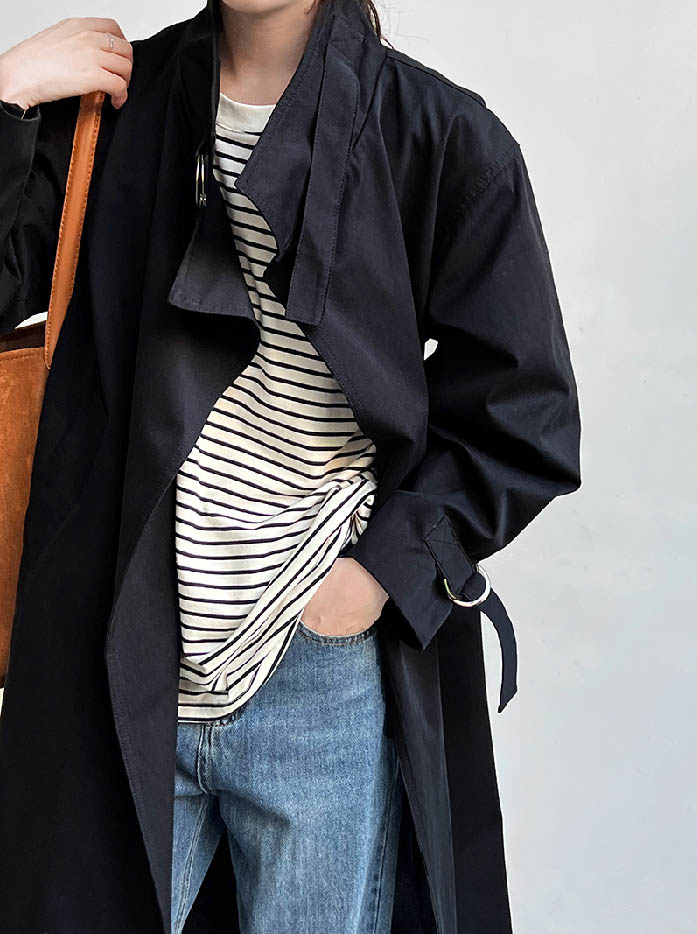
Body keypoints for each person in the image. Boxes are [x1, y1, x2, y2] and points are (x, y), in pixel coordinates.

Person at [0, 1, 582, 932]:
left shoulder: (438, 134)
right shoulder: (116, 108)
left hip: (316, 666)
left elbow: (526, 408)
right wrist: (8, 95)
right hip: (123, 651)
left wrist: (377, 577)